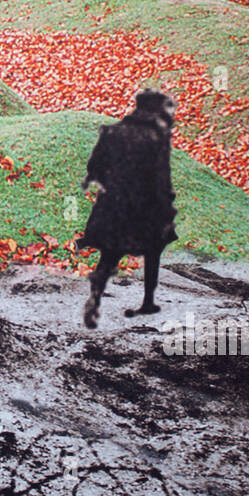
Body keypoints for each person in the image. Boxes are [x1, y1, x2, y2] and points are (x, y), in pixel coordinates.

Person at [78, 89, 178, 328]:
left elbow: (94, 167)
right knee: (153, 251)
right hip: (146, 206)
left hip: (114, 204)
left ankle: (95, 297)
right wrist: (166, 204)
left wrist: (110, 187)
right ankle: (148, 301)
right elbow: (161, 179)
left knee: (110, 253)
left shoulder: (112, 132)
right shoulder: (156, 138)